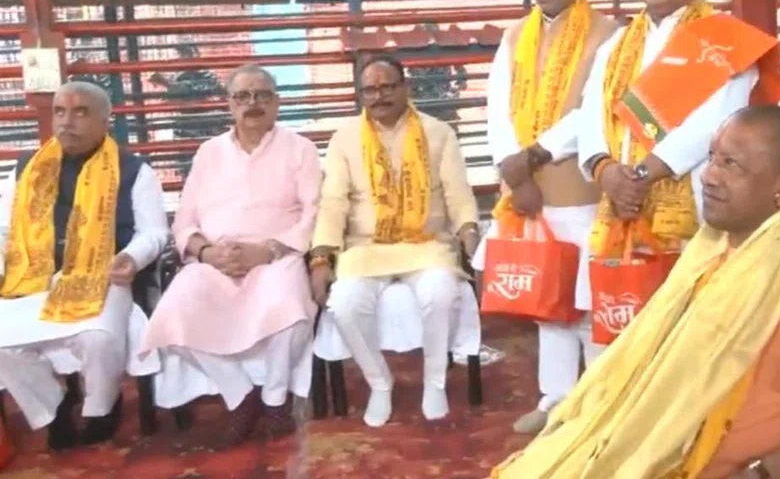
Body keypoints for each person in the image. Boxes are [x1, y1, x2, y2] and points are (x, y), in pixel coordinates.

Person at [493, 106, 780, 479]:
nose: (709, 175)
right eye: (712, 158)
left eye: (731, 164)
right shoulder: (708, 254)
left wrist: (761, 475)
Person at [578, 0, 780, 354]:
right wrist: (606, 171)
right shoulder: (617, 45)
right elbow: (591, 114)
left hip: (694, 206)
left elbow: (717, 123)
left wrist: (638, 177)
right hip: (619, 201)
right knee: (621, 339)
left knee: (687, 338)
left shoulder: (725, 40)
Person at [479, 0, 619, 435]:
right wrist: (513, 172)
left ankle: (599, 405)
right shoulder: (515, 35)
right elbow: (497, 109)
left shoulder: (610, 35)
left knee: (590, 303)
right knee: (548, 303)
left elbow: (594, 112)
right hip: (526, 192)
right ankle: (554, 400)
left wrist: (534, 155)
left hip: (582, 192)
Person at [139, 64, 321, 447]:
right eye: (243, 96)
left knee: (289, 311)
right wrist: (207, 253)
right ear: (229, 104)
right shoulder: (209, 153)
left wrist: (268, 250)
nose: (252, 103)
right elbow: (184, 221)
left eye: (262, 95)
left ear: (277, 103)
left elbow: (314, 213)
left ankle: (275, 399)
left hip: (275, 254)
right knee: (171, 315)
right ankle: (240, 395)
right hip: (215, 260)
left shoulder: (300, 149)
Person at [311, 56, 480, 428]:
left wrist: (469, 232)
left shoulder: (439, 133)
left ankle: (434, 382)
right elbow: (334, 202)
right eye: (370, 90)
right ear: (360, 95)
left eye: (387, 87)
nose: (379, 96)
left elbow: (458, 195)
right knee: (345, 303)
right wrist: (321, 256)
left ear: (406, 88)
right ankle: (379, 383)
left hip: (427, 243)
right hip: (365, 248)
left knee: (439, 292)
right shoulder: (344, 138)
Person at [0, 82, 169, 450]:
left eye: (80, 112)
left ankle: (101, 408)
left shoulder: (133, 170)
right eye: (60, 112)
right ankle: (54, 408)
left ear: (106, 121)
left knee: (99, 338)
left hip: (102, 276)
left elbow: (154, 232)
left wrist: (132, 257)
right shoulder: (27, 169)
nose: (66, 122)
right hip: (33, 277)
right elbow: (4, 229)